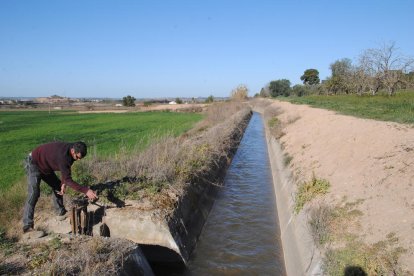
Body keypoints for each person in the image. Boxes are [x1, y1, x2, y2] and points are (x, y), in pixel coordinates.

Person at [23, 141, 98, 233]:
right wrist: (86, 191)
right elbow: (68, 177)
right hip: (34, 162)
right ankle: (27, 227)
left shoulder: (71, 151)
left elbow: (65, 171)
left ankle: (60, 212)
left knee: (58, 186)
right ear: (73, 151)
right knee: (34, 193)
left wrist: (63, 182)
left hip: (45, 166)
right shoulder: (64, 156)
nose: (78, 160)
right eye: (77, 157)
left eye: (81, 158)